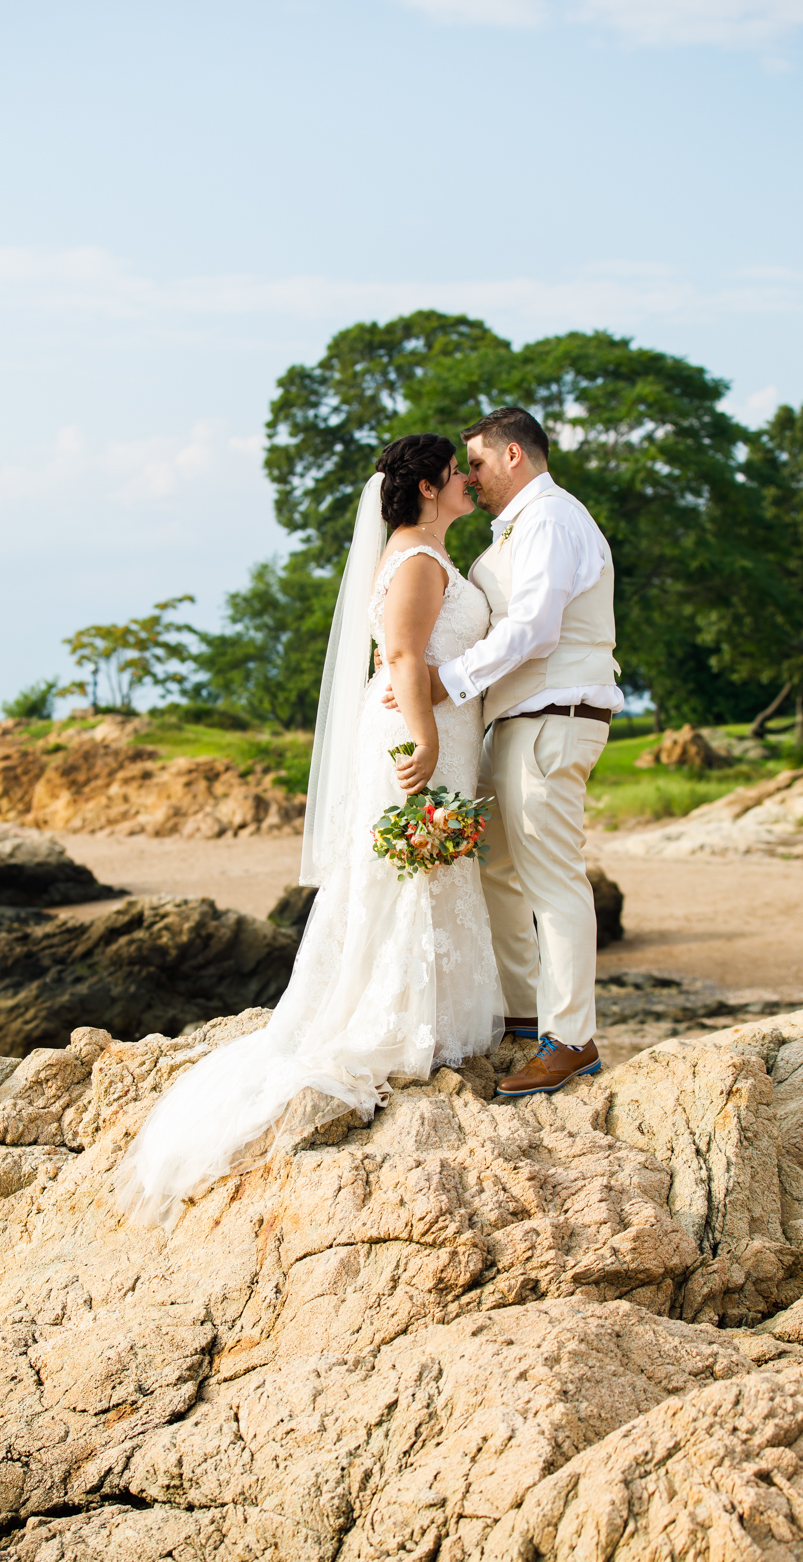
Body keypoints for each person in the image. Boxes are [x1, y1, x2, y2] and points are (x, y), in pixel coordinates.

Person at [113, 435, 503, 1231]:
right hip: (416, 734)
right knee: (407, 868)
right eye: (459, 474)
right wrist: (426, 740)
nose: (470, 481)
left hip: (436, 728)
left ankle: (424, 1015)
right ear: (428, 487)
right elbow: (399, 652)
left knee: (420, 868)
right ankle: (399, 1023)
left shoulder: (423, 553)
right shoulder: (418, 562)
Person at [434, 406, 624, 1097]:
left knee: (552, 878)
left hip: (553, 716)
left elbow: (536, 627)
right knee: (497, 868)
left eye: (478, 462)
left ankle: (571, 1039)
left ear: (515, 455)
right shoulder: (523, 524)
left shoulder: (550, 518)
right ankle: (522, 1015)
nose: (471, 477)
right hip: (516, 721)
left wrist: (446, 680)